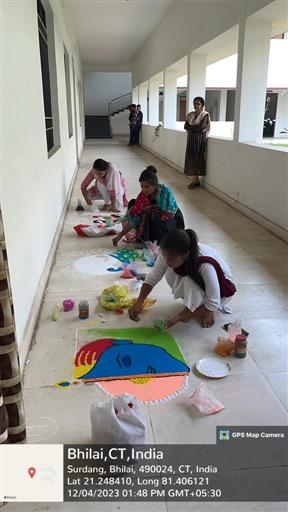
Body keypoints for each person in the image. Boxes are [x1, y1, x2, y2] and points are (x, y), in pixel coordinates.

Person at [128, 228, 236, 328]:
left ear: (185, 255)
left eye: (171, 259)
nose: (167, 261)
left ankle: (206, 310)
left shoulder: (204, 265)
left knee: (190, 283)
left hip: (222, 289)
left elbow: (214, 300)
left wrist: (183, 316)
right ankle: (199, 306)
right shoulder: (168, 253)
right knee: (171, 272)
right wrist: (139, 301)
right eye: (165, 257)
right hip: (202, 280)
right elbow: (152, 278)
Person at [112, 166, 184, 246]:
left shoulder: (165, 191)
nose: (144, 189)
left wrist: (154, 206)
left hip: (171, 222)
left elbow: (171, 215)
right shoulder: (143, 196)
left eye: (147, 187)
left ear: (155, 185)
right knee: (133, 204)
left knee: (149, 212)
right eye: (142, 186)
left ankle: (159, 240)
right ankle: (148, 236)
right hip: (155, 220)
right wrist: (119, 236)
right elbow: (135, 218)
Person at [184, 96, 211, 189]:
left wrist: (191, 127)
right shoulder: (190, 114)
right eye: (195, 103)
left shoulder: (205, 115)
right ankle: (195, 180)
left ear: (202, 105)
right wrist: (195, 127)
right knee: (191, 158)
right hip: (191, 138)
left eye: (198, 104)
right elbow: (185, 126)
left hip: (200, 140)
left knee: (197, 158)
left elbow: (201, 127)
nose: (196, 105)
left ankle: (195, 181)